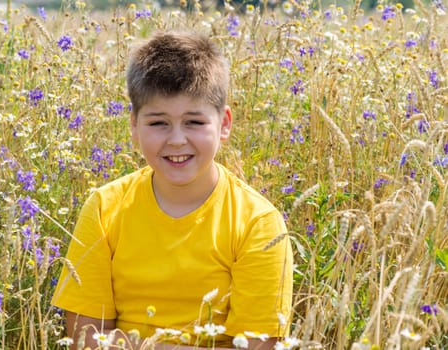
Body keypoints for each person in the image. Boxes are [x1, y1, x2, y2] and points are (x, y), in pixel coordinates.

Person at [51, 30, 293, 350]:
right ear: (134, 125)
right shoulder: (104, 208)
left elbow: (259, 346)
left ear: (224, 124)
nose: (177, 139)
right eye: (158, 123)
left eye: (194, 122)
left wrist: (137, 345)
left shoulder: (257, 223)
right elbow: (84, 337)